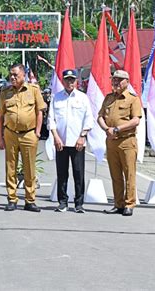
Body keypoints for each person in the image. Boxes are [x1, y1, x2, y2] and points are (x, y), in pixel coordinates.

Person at [0, 63, 46, 212]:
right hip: (10, 133)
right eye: (11, 74)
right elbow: (0, 115)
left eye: (15, 75)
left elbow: (39, 112)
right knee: (10, 167)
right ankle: (12, 199)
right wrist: (0, 137)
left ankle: (30, 200)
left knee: (29, 168)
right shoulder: (5, 92)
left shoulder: (33, 90)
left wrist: (37, 132)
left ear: (23, 75)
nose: (12, 77)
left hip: (29, 133)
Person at [47, 69, 94, 213]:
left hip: (77, 142)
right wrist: (55, 137)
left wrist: (82, 136)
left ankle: (79, 203)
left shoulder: (83, 97)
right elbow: (51, 119)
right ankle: (63, 202)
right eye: (67, 79)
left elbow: (89, 119)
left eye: (72, 80)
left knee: (78, 173)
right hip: (60, 141)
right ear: (63, 81)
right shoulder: (56, 97)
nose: (70, 82)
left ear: (76, 81)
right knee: (62, 173)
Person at [98, 70, 141, 217]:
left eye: (119, 80)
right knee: (115, 174)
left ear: (127, 82)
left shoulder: (133, 99)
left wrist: (117, 129)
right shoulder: (109, 98)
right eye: (114, 79)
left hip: (127, 141)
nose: (115, 82)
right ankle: (118, 204)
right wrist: (107, 129)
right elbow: (100, 117)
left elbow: (136, 120)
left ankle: (129, 204)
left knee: (129, 174)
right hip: (111, 142)